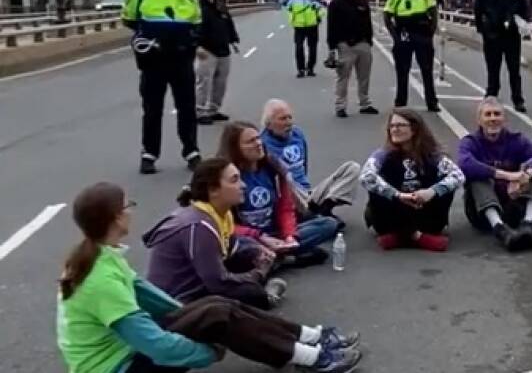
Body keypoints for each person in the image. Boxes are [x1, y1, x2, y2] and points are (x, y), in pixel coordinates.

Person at [56, 182, 362, 373]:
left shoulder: (103, 256)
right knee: (217, 314)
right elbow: (155, 346)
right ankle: (314, 359)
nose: (131, 211)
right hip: (120, 366)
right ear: (115, 217)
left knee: (216, 307)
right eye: (128, 206)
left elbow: (147, 294)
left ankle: (311, 338)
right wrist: (205, 353)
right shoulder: (100, 280)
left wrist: (197, 316)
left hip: (127, 355)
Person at [143, 158, 287, 310]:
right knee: (249, 293)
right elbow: (218, 283)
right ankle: (266, 297)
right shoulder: (200, 226)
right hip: (177, 301)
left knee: (250, 258)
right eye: (234, 180)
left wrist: (257, 252)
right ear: (213, 190)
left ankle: (258, 289)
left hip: (199, 280)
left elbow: (230, 250)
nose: (243, 185)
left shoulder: (220, 214)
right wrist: (259, 273)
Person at [122, 0, 202, 175]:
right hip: (153, 62)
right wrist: (152, 38)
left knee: (187, 108)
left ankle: (191, 151)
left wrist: (187, 43)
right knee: (152, 108)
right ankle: (149, 154)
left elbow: (197, 23)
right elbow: (129, 20)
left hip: (181, 60)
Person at [219, 121, 337, 267]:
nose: (258, 143)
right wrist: (260, 236)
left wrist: (289, 235)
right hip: (249, 237)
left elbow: (285, 208)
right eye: (250, 141)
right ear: (235, 148)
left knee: (328, 224)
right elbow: (222, 225)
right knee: (237, 248)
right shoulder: (228, 178)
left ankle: (276, 258)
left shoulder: (273, 168)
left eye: (258, 138)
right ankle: (283, 258)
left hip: (275, 233)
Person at [360, 109, 464, 251]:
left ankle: (401, 237)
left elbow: (458, 175)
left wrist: (431, 192)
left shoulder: (432, 155)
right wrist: (398, 195)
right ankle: (417, 237)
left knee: (446, 180)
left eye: (400, 125)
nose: (394, 129)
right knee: (375, 181)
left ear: (414, 129)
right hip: (392, 216)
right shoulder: (383, 154)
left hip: (424, 213)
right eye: (392, 126)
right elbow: (366, 176)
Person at [458, 97, 532, 252]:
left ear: (504, 119)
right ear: (479, 120)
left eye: (497, 114)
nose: (493, 119)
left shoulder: (516, 140)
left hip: (512, 205)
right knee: (477, 175)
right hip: (482, 213)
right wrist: (508, 176)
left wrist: (525, 176)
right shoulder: (470, 142)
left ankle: (530, 222)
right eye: (488, 114)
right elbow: (464, 164)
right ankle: (500, 229)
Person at [260, 99, 360, 220]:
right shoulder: (261, 144)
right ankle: (312, 214)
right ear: (269, 124)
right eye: (283, 119)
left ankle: (322, 208)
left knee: (352, 168)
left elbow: (304, 164)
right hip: (287, 197)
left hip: (307, 194)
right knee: (287, 178)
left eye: (290, 117)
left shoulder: (297, 134)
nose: (289, 122)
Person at [474, 0, 530, 113]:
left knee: (514, 69)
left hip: (511, 35)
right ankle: (491, 96)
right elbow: (478, 9)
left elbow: (523, 7)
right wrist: (481, 28)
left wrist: (519, 22)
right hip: (492, 35)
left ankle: (518, 99)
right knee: (492, 68)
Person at [384, 0, 440, 112]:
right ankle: (401, 102)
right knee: (402, 70)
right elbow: (387, 16)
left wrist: (430, 33)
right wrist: (395, 36)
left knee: (427, 69)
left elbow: (434, 13)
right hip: (403, 34)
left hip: (422, 34)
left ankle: (431, 102)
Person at [326, 0, 378, 118]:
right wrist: (332, 48)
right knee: (343, 77)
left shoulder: (362, 3)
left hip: (363, 44)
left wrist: (369, 41)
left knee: (364, 77)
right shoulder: (335, 4)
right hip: (345, 46)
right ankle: (340, 106)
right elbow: (331, 27)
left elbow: (368, 24)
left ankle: (365, 104)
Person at [195, 0, 239, 125]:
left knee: (220, 83)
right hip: (206, 50)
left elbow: (228, 23)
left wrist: (233, 40)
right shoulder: (196, 7)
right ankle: (200, 112)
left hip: (223, 50)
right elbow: (192, 28)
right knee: (204, 82)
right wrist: (196, 46)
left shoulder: (220, 5)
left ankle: (213, 110)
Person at [285, 0, 326, 78]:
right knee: (299, 48)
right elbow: (288, 9)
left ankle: (310, 68)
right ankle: (301, 69)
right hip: (299, 26)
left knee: (313, 48)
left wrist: (318, 17)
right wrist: (291, 19)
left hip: (312, 25)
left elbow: (321, 9)